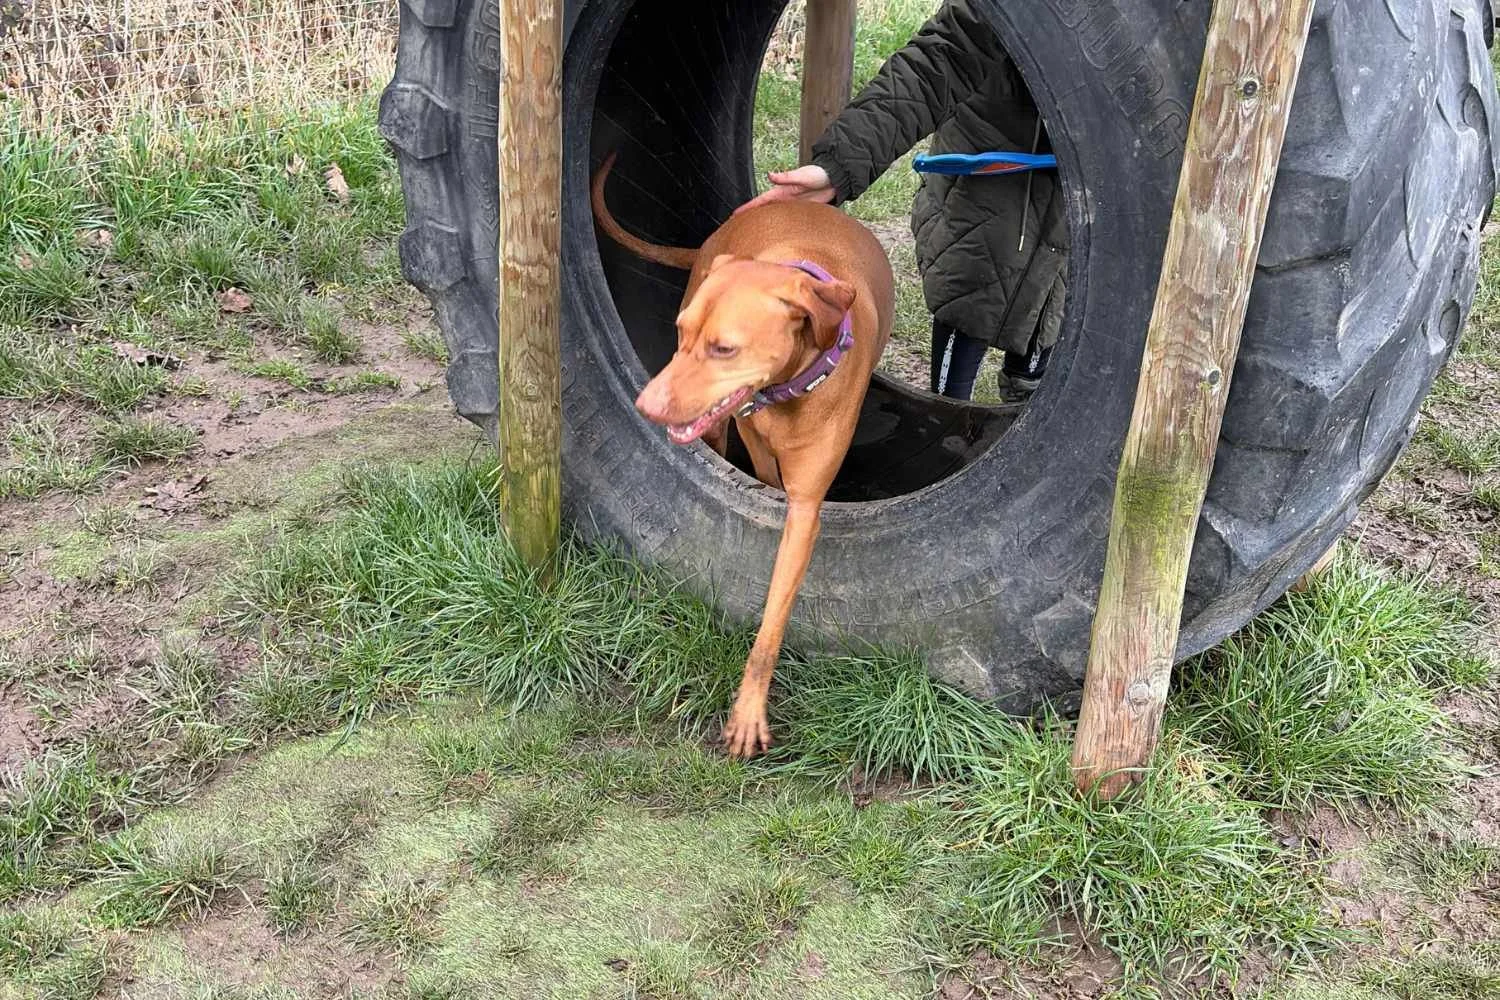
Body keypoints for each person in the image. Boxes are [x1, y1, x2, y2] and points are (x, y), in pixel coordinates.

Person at [738, 0, 1068, 402]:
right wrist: (841, 166)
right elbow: (941, 57)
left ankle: (1027, 388)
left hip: (1076, 191)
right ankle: (948, 411)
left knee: (1052, 295)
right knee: (972, 288)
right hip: (990, 167)